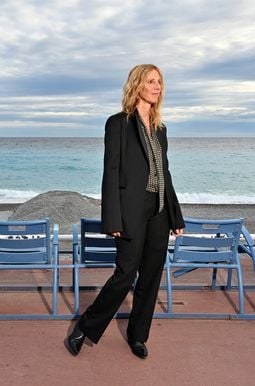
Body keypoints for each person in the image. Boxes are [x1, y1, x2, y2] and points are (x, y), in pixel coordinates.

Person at [66, 64, 185, 359]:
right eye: (151, 81)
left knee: (152, 276)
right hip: (131, 210)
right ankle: (86, 327)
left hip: (159, 210)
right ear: (137, 85)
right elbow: (111, 172)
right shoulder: (118, 123)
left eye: (160, 82)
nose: (157, 87)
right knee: (125, 273)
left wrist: (175, 215)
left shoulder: (160, 129)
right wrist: (113, 218)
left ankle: (138, 336)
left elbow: (164, 174)